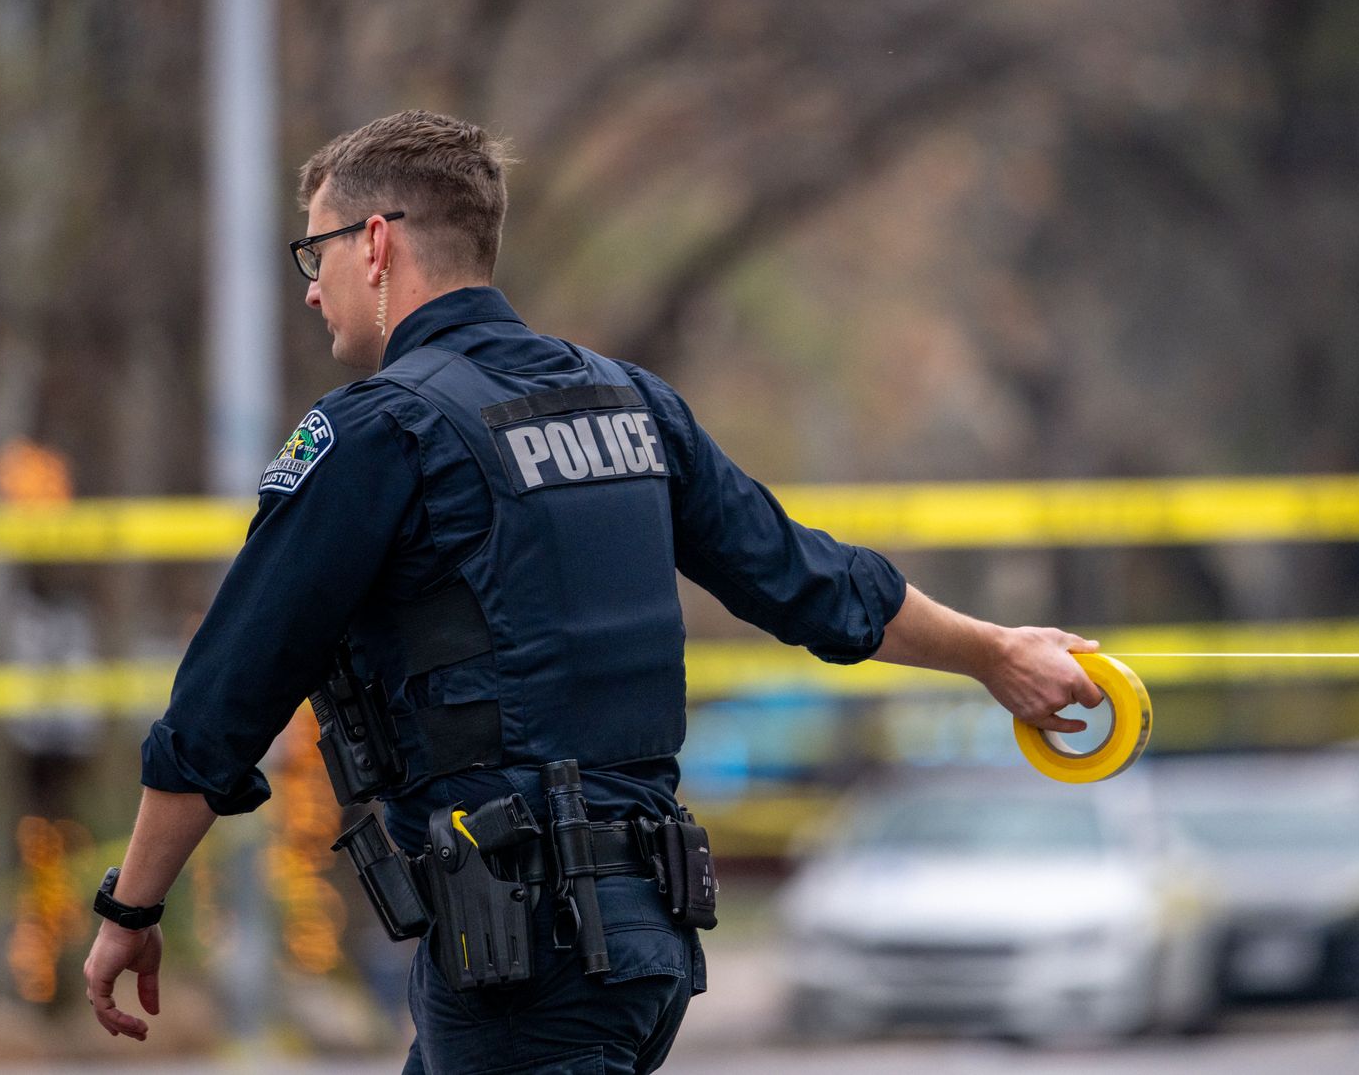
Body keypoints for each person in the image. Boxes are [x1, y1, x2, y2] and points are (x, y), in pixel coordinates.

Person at [80, 111, 1105, 1073]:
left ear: (377, 243)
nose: (311, 288)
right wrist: (991, 650)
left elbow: (225, 695)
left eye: (319, 254)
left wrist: (130, 907)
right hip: (627, 944)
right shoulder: (628, 402)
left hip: (522, 960)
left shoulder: (377, 432)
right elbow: (802, 578)